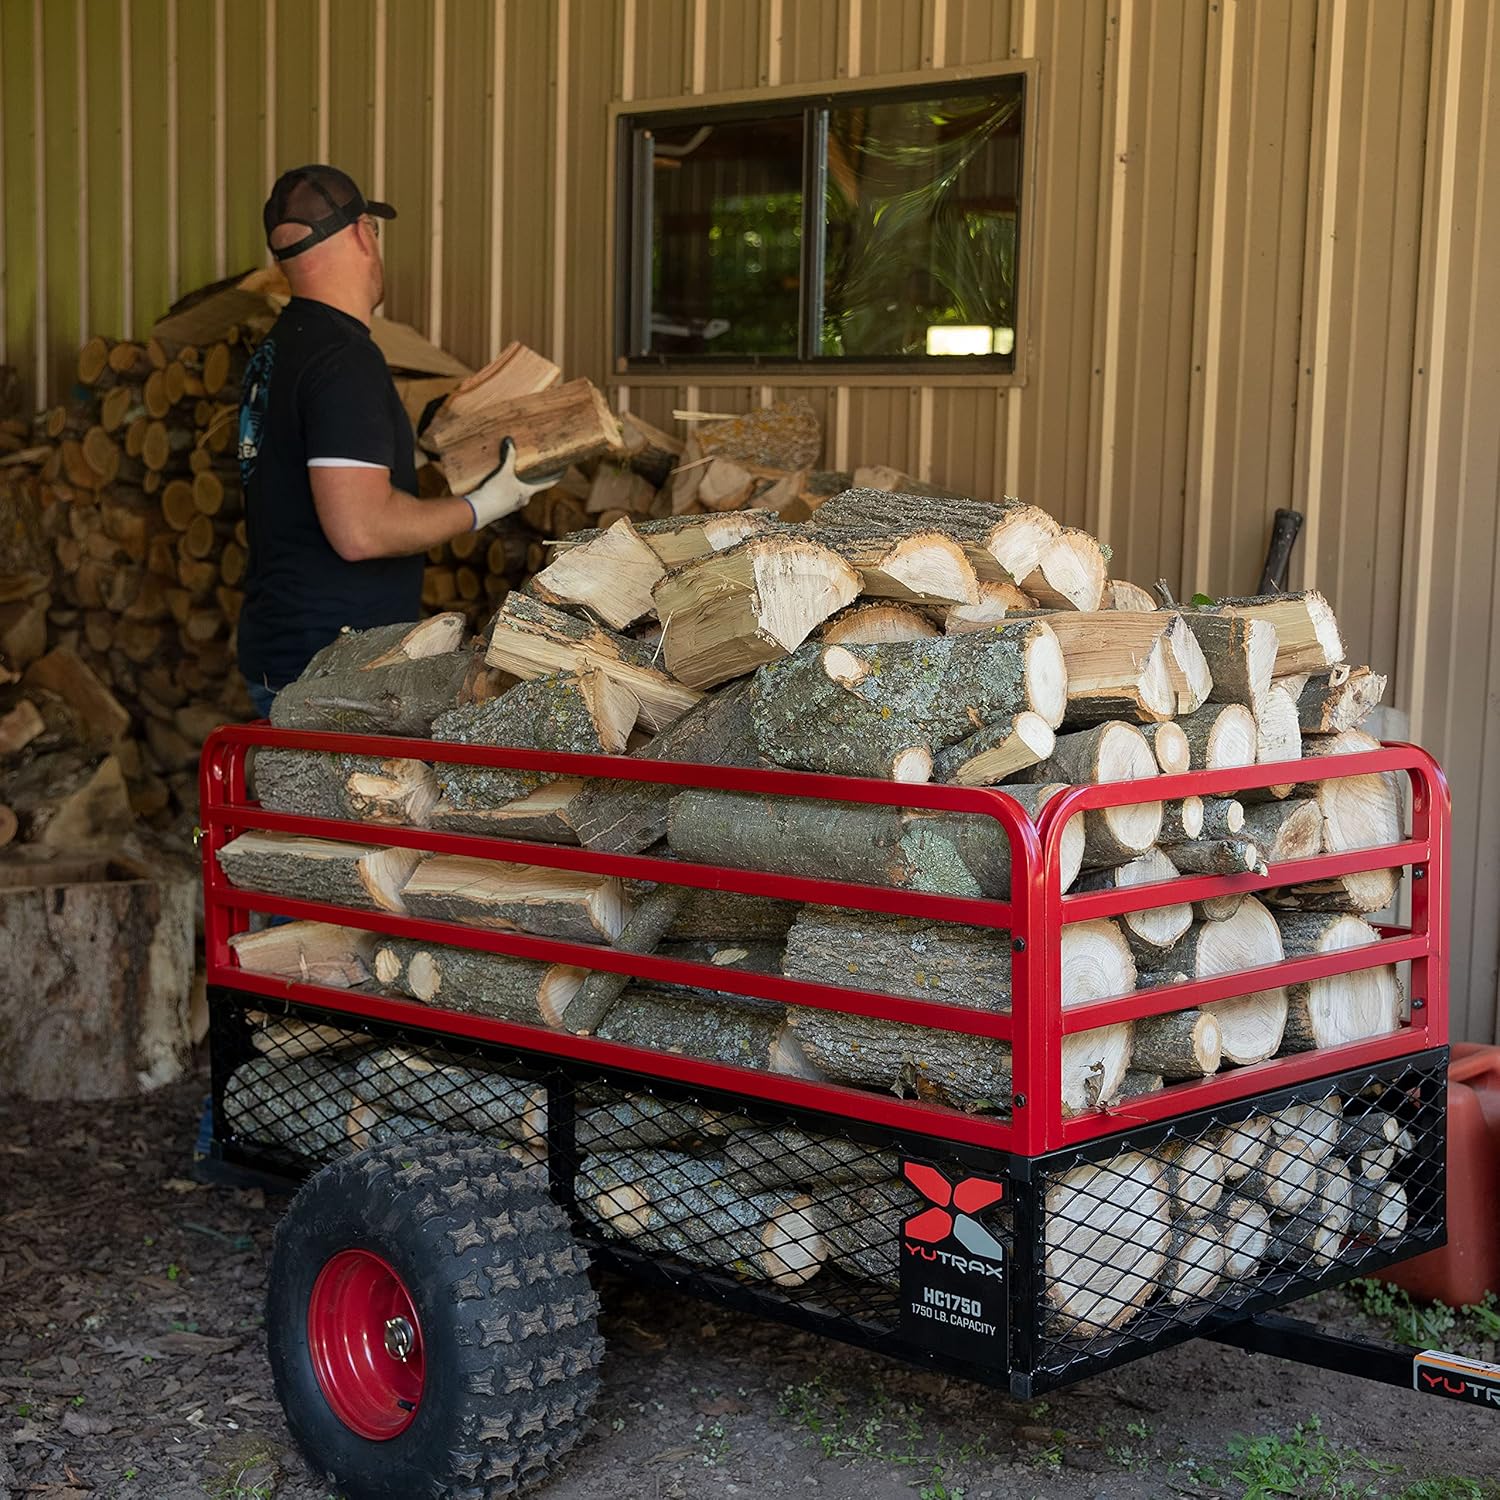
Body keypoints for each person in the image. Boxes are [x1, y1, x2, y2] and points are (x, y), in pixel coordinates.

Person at [237, 164, 550, 716]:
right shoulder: (343, 360)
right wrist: (485, 505)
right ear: (363, 233)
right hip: (333, 672)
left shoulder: (279, 349)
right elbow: (361, 530)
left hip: (287, 650)